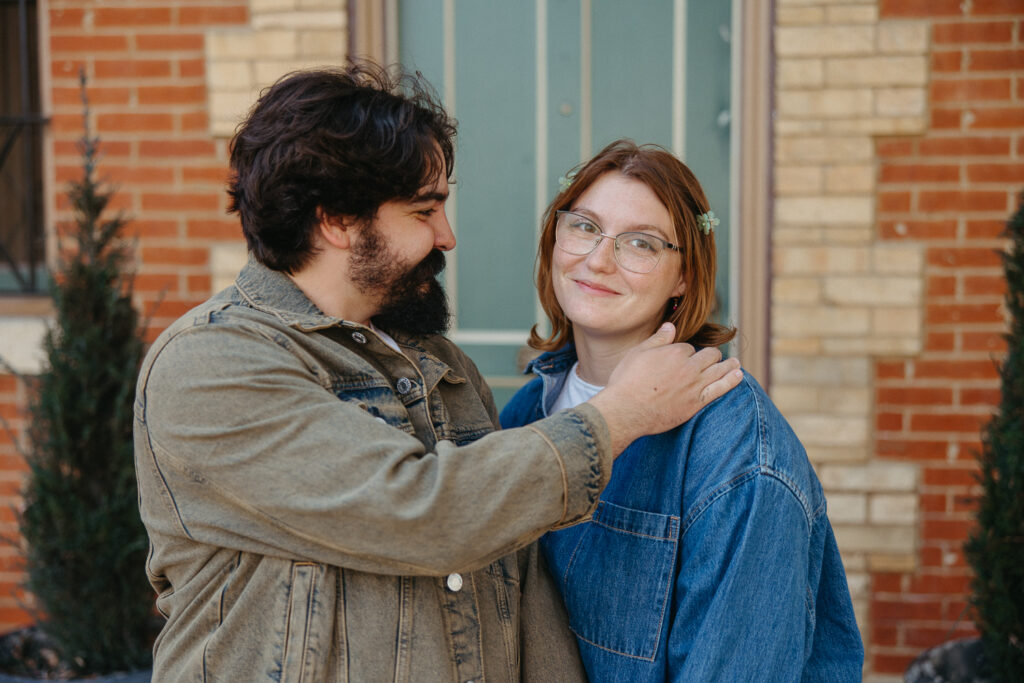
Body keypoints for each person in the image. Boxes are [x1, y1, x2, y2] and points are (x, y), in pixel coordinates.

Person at [132, 65, 744, 682]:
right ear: (337, 220)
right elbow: (423, 512)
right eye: (424, 211)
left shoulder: (442, 366)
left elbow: (522, 589)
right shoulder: (211, 365)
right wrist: (621, 415)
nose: (447, 237)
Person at [500, 140, 865, 681]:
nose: (599, 259)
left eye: (641, 244)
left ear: (684, 278)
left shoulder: (739, 456)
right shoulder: (526, 413)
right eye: (583, 226)